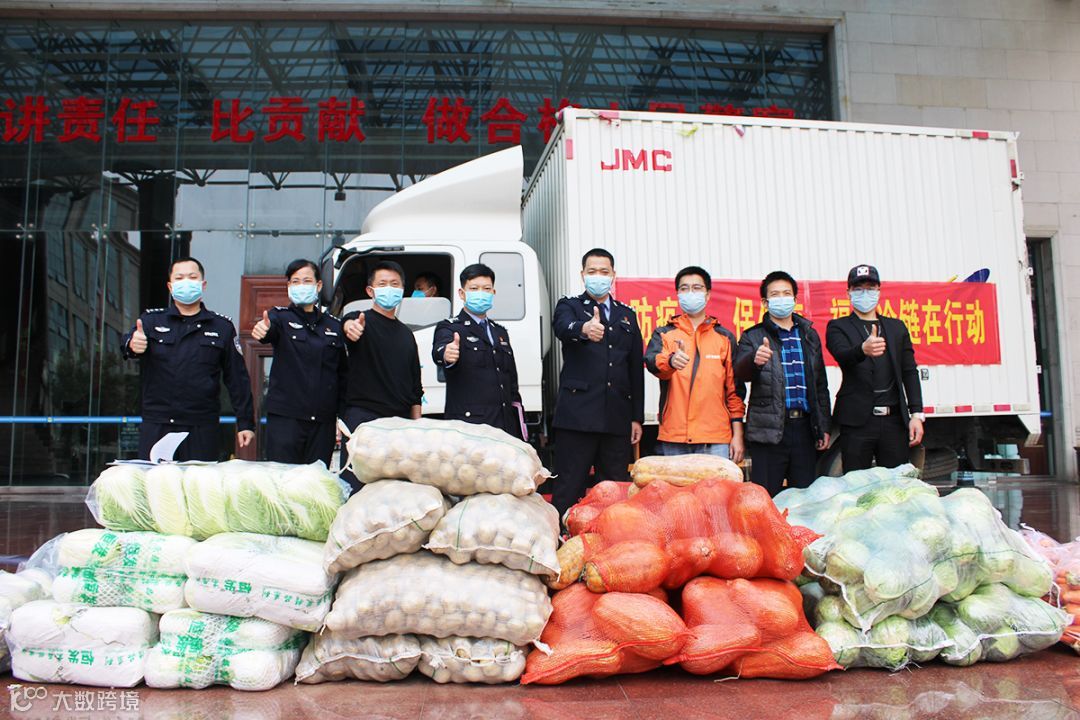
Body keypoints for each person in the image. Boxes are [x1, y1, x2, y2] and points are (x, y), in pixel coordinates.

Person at [122, 257, 255, 461]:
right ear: (170, 286)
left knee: (199, 481)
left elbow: (237, 378)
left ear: (203, 284)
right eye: (179, 278)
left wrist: (245, 422)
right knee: (156, 481)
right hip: (158, 424)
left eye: (192, 277)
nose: (186, 282)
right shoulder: (151, 321)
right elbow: (129, 343)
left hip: (202, 427)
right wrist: (132, 344)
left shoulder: (222, 327)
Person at [551, 248, 644, 518]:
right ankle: (561, 537)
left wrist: (636, 417)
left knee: (613, 490)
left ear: (613, 275)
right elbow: (562, 327)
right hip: (577, 417)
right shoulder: (570, 306)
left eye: (604, 271)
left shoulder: (627, 315)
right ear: (582, 275)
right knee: (569, 485)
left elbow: (634, 368)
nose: (598, 276)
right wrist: (584, 328)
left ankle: (608, 539)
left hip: (616, 418)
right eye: (592, 271)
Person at [735, 271, 832, 496]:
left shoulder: (809, 335)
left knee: (805, 500)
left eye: (786, 294)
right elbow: (740, 372)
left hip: (805, 429)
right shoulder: (753, 336)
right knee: (766, 499)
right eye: (775, 294)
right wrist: (754, 361)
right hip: (768, 432)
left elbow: (820, 385)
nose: (782, 299)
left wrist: (824, 426)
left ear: (795, 299)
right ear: (765, 302)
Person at [826, 264, 925, 471]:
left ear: (879, 291)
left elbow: (909, 371)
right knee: (856, 483)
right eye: (858, 288)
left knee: (895, 483)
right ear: (849, 292)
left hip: (894, 420)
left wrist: (916, 414)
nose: (865, 293)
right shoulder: (838, 326)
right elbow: (842, 355)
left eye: (870, 288)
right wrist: (862, 349)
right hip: (857, 421)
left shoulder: (896, 327)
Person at [251, 259, 347, 466]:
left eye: (306, 281)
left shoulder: (333, 326)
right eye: (295, 281)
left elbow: (342, 374)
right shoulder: (280, 317)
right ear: (288, 286)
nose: (301, 286)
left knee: (317, 479)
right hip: (286, 419)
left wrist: (341, 417)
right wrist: (263, 331)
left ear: (318, 285)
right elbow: (268, 330)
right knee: (283, 478)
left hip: (322, 422)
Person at [645, 266, 745, 460]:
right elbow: (653, 363)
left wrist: (738, 435)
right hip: (674, 437)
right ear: (677, 295)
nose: (690, 293)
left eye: (697, 288)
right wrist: (671, 361)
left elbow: (735, 391)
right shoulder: (664, 334)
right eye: (684, 288)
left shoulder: (724, 338)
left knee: (716, 483)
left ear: (707, 295)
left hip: (715, 438)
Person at [339, 260, 423, 488]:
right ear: (370, 290)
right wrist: (349, 327)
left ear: (402, 290)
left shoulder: (406, 334)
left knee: (392, 491)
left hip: (399, 424)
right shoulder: (360, 320)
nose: (389, 289)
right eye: (382, 284)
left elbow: (416, 388)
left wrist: (417, 427)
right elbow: (347, 325)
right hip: (363, 421)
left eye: (394, 284)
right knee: (355, 488)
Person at [432, 263, 525, 440]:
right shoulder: (450, 328)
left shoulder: (500, 332)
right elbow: (440, 350)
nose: (481, 293)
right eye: (474, 288)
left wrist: (518, 425)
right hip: (470, 429)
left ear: (493, 293)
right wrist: (446, 354)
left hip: (504, 427)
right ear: (462, 293)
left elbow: (511, 383)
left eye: (486, 289)